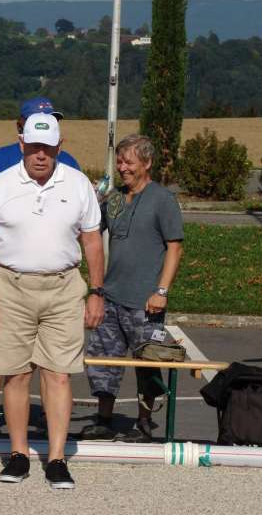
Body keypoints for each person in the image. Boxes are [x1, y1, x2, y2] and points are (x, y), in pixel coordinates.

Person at [0, 113, 104, 488]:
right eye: (33, 147)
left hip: (63, 288)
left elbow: (92, 242)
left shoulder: (78, 185)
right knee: (16, 372)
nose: (40, 155)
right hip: (10, 287)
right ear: (22, 145)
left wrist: (96, 292)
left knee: (59, 374)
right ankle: (18, 454)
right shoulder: (0, 184)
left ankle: (57, 458)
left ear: (60, 147)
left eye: (48, 147)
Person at [0, 96, 80, 435]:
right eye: (40, 119)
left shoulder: (68, 163)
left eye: (53, 119)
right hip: (8, 273)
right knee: (7, 358)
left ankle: (53, 434)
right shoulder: (0, 160)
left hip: (54, 277)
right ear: (21, 128)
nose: (42, 150)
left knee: (53, 367)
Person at [81, 134, 184, 442]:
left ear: (147, 163)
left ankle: (143, 423)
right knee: (104, 360)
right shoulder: (113, 198)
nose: (123, 168)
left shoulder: (162, 200)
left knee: (146, 363)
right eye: (120, 161)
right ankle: (103, 418)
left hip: (145, 301)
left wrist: (161, 292)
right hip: (110, 296)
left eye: (129, 162)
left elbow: (175, 248)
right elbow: (90, 233)